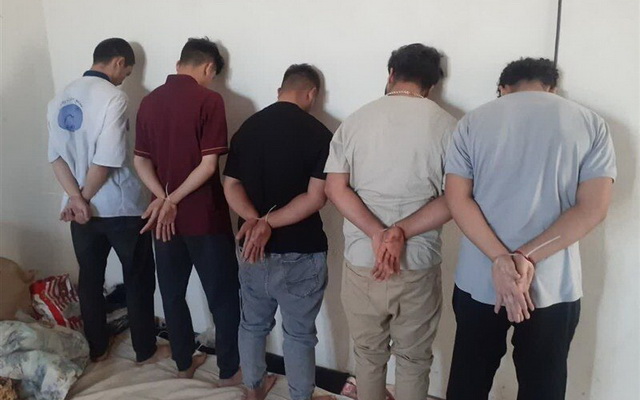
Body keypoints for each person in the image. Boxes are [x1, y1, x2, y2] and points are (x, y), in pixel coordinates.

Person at [444, 57, 616, 400]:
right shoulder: (590, 123)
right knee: (543, 386)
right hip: (552, 283)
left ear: (503, 88)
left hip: (481, 279)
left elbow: (457, 199)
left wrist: (501, 260)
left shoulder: (473, 122)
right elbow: (593, 208)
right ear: (551, 87)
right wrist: (525, 257)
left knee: (468, 381)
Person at [324, 44, 457, 400]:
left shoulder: (355, 121)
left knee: (368, 357)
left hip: (362, 260)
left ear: (391, 74)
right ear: (431, 85)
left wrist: (377, 233)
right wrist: (400, 234)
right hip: (418, 263)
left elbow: (335, 188)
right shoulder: (449, 127)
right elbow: (454, 200)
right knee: (414, 361)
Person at [47, 38, 168, 364]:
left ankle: (97, 349)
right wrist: (84, 198)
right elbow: (108, 159)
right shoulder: (114, 97)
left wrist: (76, 199)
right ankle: (145, 350)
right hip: (120, 206)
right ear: (117, 62)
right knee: (138, 277)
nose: (124, 79)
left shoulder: (58, 99)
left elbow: (56, 158)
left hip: (78, 211)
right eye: (126, 72)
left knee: (90, 279)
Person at [223, 64, 334, 400]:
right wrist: (267, 223)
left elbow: (231, 185)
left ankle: (253, 391)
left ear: (279, 91)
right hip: (302, 251)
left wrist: (255, 220)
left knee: (252, 325)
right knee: (299, 335)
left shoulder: (247, 128)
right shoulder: (320, 134)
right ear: (311, 93)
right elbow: (315, 198)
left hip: (251, 249)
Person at [133, 37, 240, 382]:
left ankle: (182, 364)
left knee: (172, 293)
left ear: (179, 63)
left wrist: (162, 198)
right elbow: (208, 166)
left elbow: (140, 161)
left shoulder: (149, 102)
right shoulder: (209, 100)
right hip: (204, 217)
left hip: (162, 220)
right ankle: (229, 371)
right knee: (223, 297)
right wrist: (174, 199)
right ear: (209, 68)